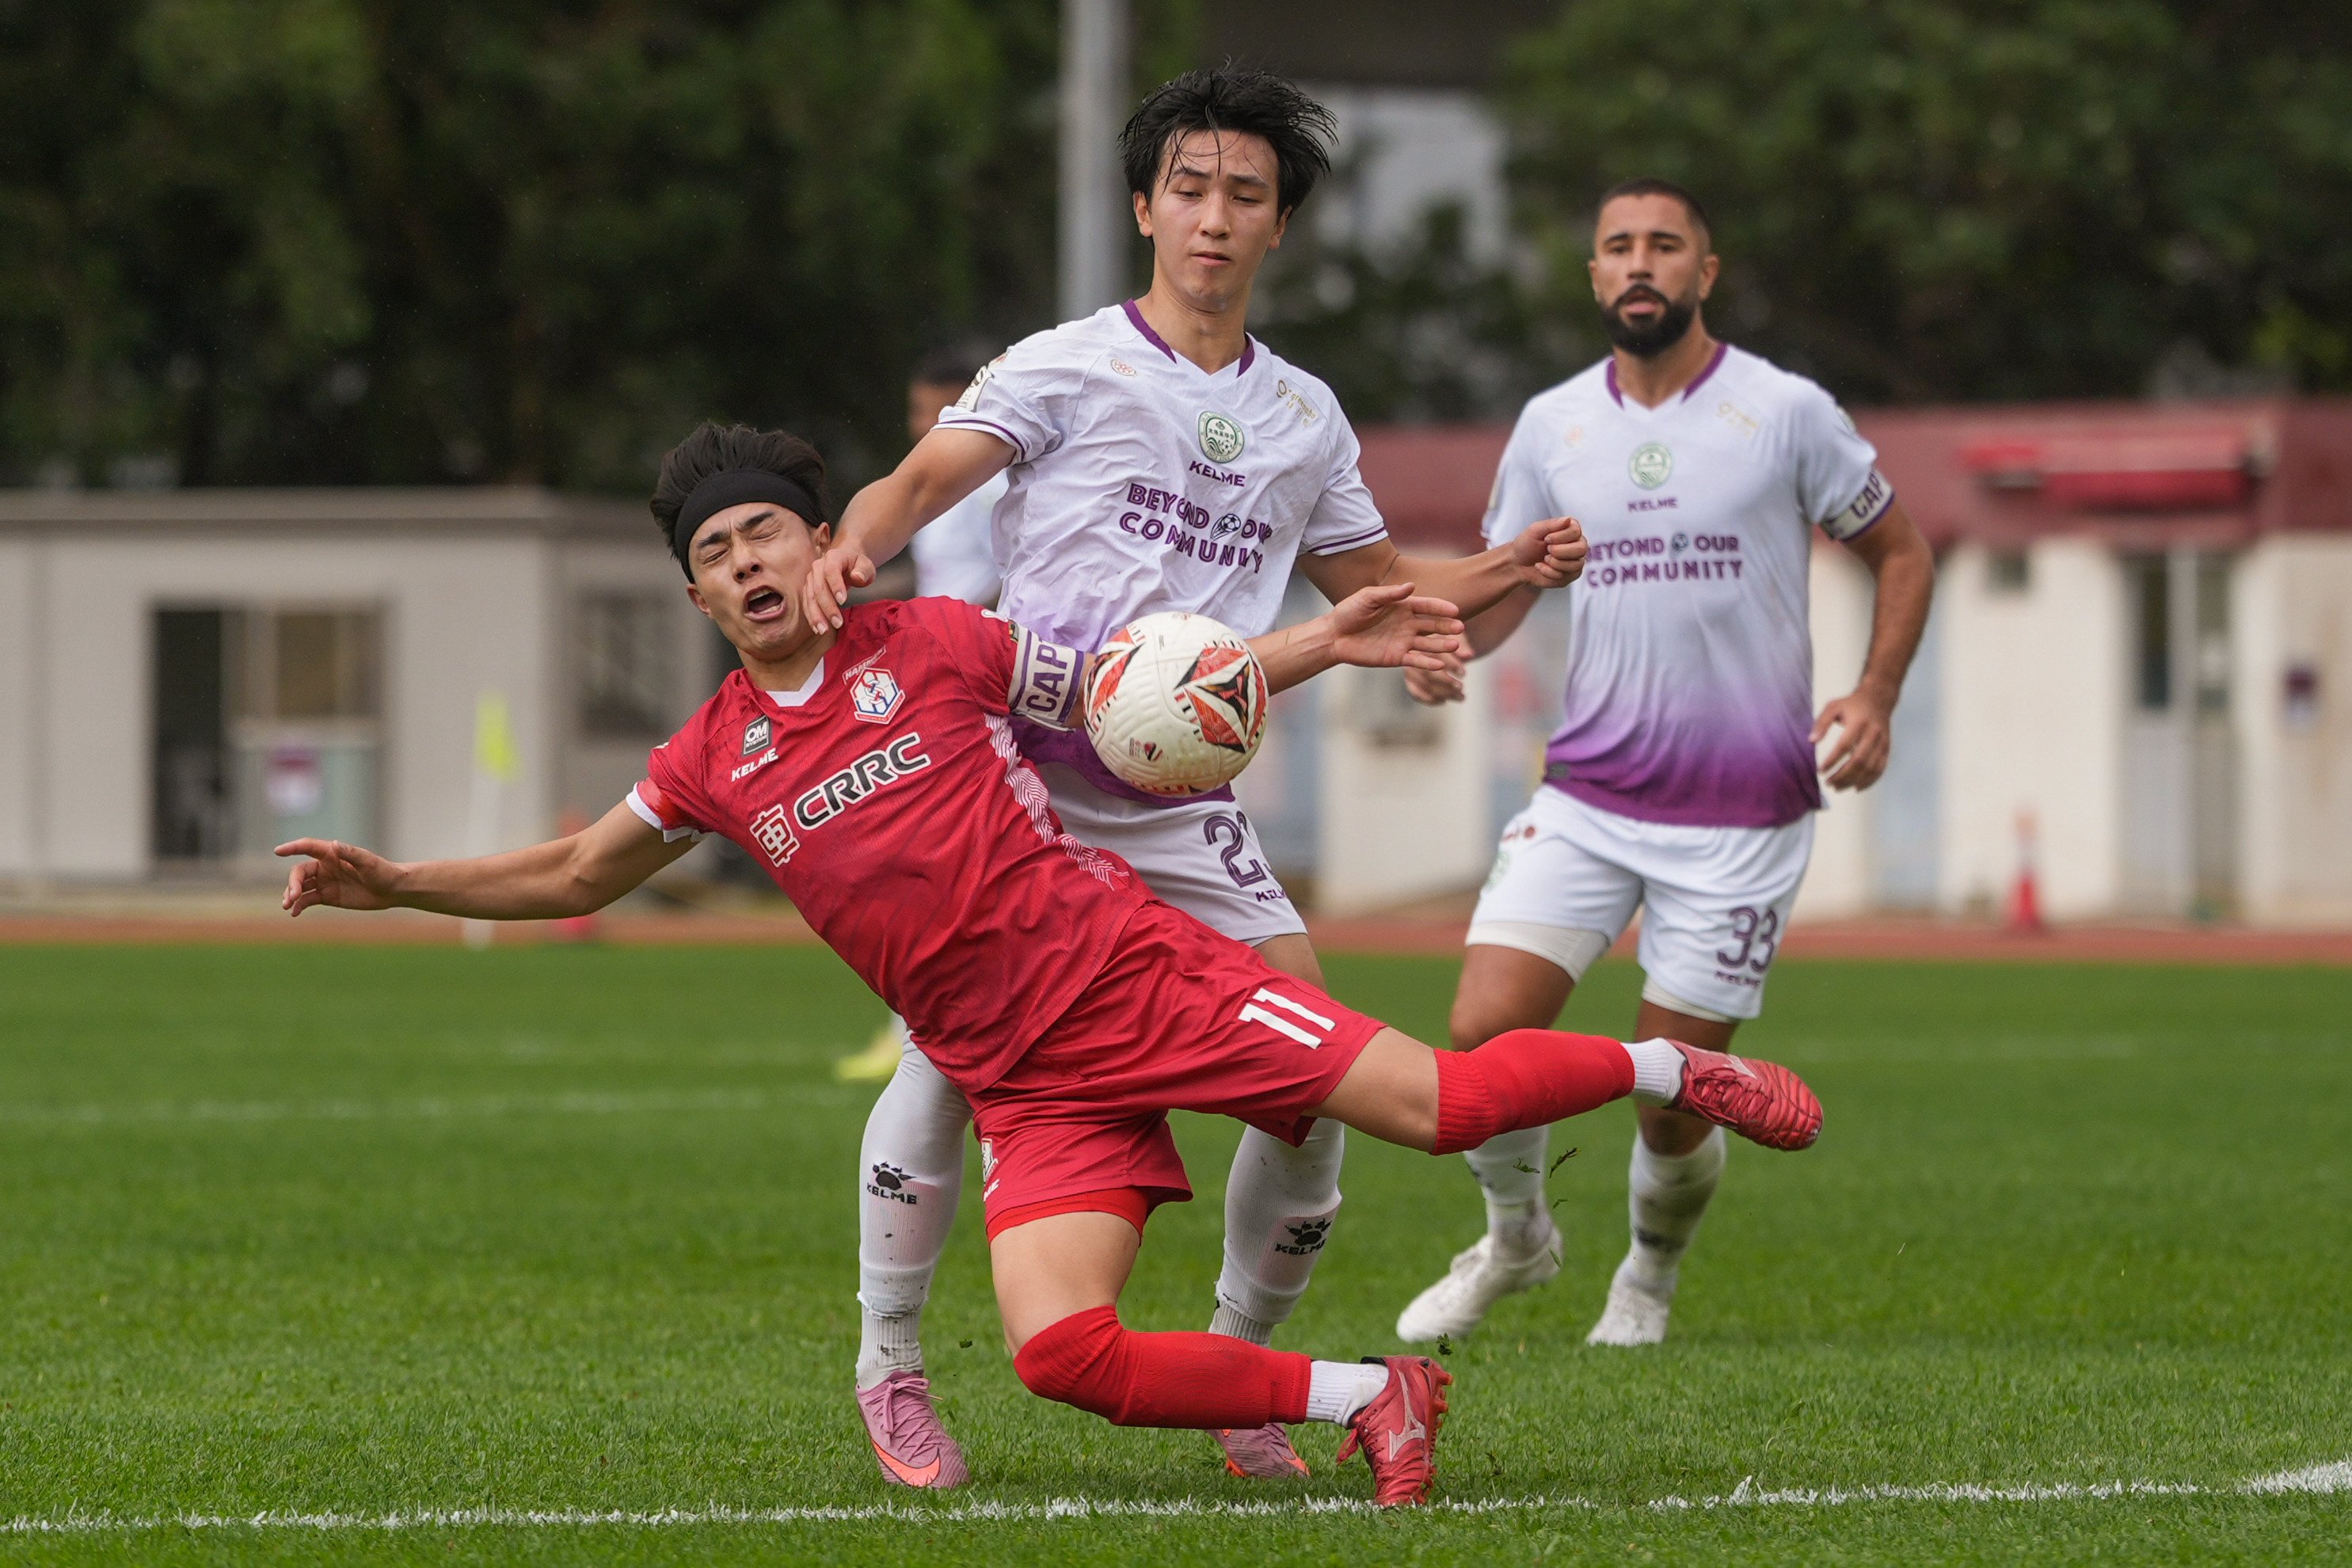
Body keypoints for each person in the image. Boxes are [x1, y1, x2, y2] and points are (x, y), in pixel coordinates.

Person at [275, 424, 1823, 1509]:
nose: (744, 563)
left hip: (1137, 976)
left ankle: (1675, 1068)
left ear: (821, 546)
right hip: (1024, 1080)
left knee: (1437, 1108)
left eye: (763, 533)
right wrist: (395, 883)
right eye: (712, 553)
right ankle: (1369, 1401)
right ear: (693, 598)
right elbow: (570, 870)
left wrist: (1318, 645)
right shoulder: (713, 756)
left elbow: (1138, 697)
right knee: (1062, 1354)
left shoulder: (938, 640)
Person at [802, 68, 1586, 1486]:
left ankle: (1240, 1374)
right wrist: (851, 546)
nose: (1212, 218)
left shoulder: (1303, 417)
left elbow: (1387, 594)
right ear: (1143, 206)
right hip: (1012, 782)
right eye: (1189, 188)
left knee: (1309, 1092)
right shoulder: (1062, 364)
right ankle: (891, 1366)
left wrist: (1505, 574)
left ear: (1278, 226)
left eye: (1244, 195)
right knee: (946, 1061)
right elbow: (914, 490)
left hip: (1180, 806)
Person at [1390, 179, 1934, 1349]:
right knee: (1483, 1033)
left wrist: (1876, 693)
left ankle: (1644, 1277)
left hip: (1742, 815)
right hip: (1587, 796)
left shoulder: (1784, 411)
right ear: (1593, 277)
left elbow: (1901, 550)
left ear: (1704, 271)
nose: (1639, 264)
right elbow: (1496, 593)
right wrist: (1439, 648)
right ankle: (1516, 1238)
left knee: (1676, 1098)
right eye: (1617, 247)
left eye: (1663, 246)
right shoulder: (1550, 427)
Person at [835, 345, 1010, 1086]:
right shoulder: (929, 490)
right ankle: (910, 1027)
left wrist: (951, 634)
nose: (916, 424)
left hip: (969, 674)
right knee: (915, 856)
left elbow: (1004, 577)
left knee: (947, 854)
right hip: (925, 668)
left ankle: (925, 1033)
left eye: (925, 410)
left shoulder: (984, 488)